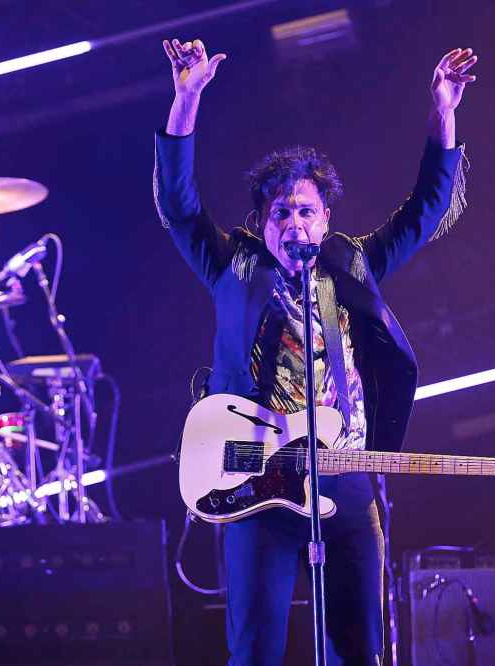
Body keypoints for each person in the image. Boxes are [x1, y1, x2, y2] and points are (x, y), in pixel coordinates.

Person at [154, 38, 476, 665]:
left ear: (326, 220)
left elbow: (424, 210)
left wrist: (444, 113)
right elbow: (180, 206)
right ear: (261, 224)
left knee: (359, 649)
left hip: (345, 481)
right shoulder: (234, 267)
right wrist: (185, 100)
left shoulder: (352, 264)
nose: (294, 224)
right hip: (255, 487)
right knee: (256, 653)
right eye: (280, 213)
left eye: (306, 211)